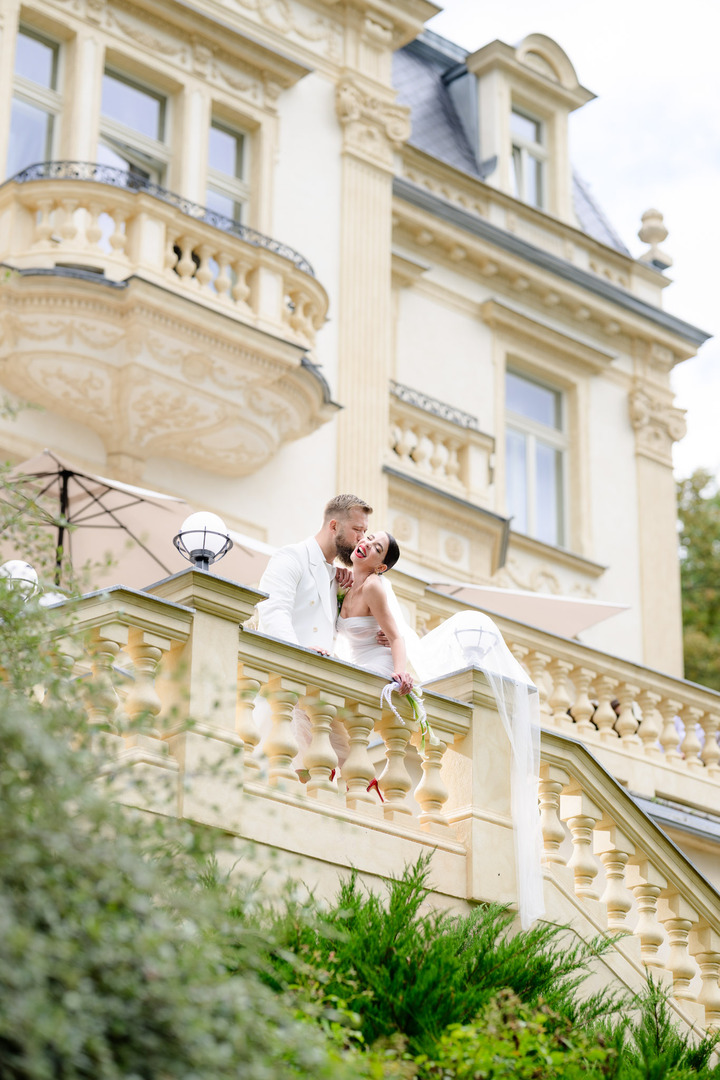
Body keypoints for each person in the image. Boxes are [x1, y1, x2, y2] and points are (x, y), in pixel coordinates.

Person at [334, 530, 545, 931]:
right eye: (368, 539)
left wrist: (400, 671)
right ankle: (356, 779)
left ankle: (356, 779)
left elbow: (395, 636)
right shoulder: (342, 580)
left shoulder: (375, 586)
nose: (367, 545)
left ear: (380, 564)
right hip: (354, 657)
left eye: (376, 548)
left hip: (376, 664)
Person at [255, 493, 372, 775]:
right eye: (357, 530)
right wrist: (300, 656)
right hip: (284, 694)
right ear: (334, 526)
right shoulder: (291, 557)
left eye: (365, 532)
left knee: (342, 776)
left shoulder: (337, 577)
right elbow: (273, 612)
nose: (362, 540)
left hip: (320, 701)